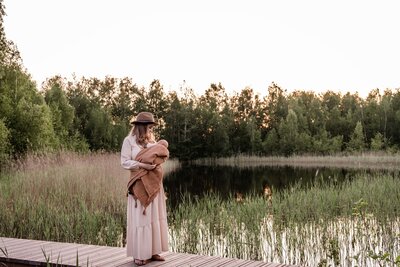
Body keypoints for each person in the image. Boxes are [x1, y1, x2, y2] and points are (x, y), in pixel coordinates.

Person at [120, 111, 169, 266]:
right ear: (140, 126)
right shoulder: (129, 141)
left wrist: (155, 163)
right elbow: (125, 162)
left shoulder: (153, 142)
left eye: (151, 127)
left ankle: (153, 252)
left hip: (154, 183)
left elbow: (160, 156)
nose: (149, 130)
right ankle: (140, 254)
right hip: (139, 183)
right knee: (141, 218)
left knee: (154, 216)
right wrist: (142, 165)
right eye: (148, 127)